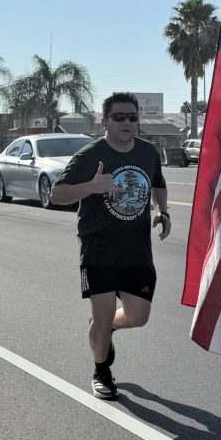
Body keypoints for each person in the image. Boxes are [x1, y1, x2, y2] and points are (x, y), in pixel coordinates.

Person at [50, 92, 171, 400]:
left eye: (132, 117)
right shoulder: (89, 155)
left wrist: (162, 210)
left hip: (136, 250)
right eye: (119, 117)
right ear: (105, 121)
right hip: (98, 248)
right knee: (102, 314)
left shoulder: (147, 152)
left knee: (138, 316)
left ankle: (106, 329)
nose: (127, 123)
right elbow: (58, 194)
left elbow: (157, 182)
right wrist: (92, 187)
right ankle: (101, 369)